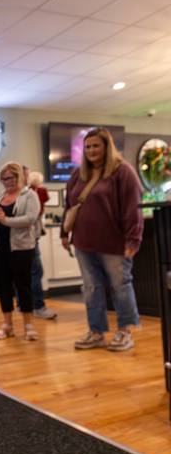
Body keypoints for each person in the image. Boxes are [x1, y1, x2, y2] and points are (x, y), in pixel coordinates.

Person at [62, 127, 143, 352]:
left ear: (107, 147)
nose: (91, 150)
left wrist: (133, 240)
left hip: (115, 244)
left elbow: (133, 208)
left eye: (96, 145)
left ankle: (125, 332)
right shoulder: (78, 174)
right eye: (87, 146)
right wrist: (64, 233)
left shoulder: (123, 171)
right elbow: (70, 206)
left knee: (121, 287)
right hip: (84, 243)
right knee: (91, 288)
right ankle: (96, 332)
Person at [0, 162, 41, 341]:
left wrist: (6, 220)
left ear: (19, 177)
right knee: (3, 285)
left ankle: (28, 325)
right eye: (4, 178)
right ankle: (7, 325)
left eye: (10, 178)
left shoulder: (29, 195)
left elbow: (30, 219)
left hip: (21, 248)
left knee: (23, 285)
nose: (7, 182)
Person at [24, 167, 57, 320]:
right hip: (29, 238)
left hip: (30, 237)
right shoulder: (29, 194)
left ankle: (26, 305)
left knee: (28, 272)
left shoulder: (30, 193)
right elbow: (32, 216)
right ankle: (38, 306)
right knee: (36, 272)